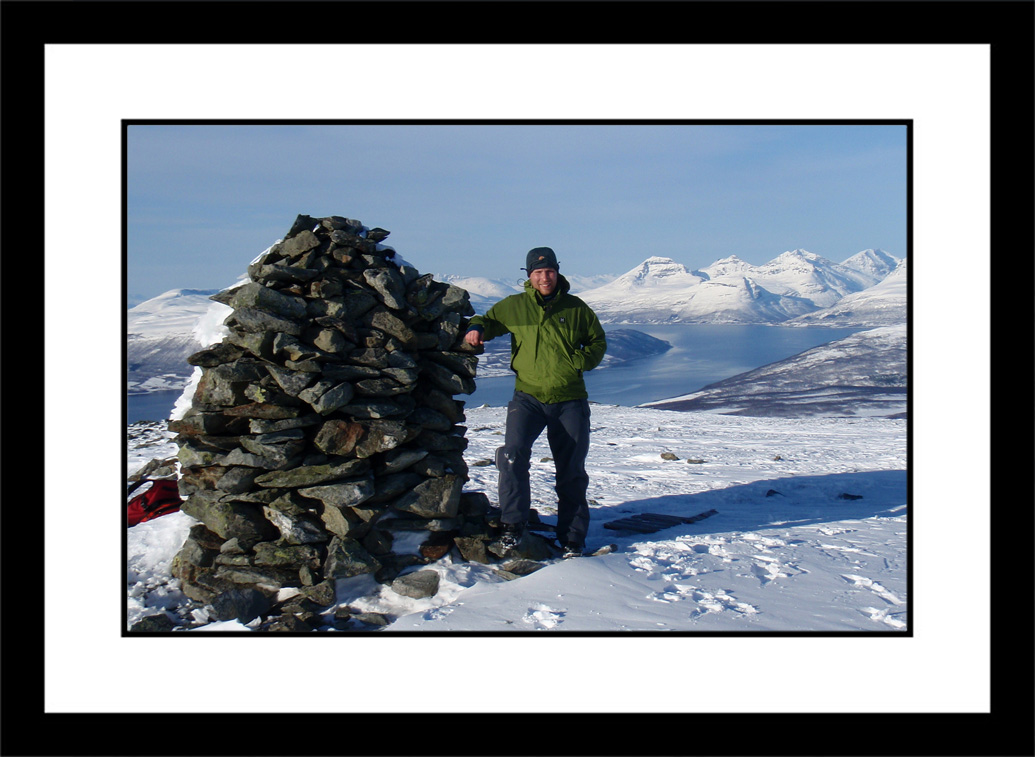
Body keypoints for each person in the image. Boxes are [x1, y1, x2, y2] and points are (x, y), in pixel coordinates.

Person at [464, 247, 607, 558]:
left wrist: (579, 361)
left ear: (557, 272)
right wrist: (476, 328)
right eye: (538, 272)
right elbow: (487, 320)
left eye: (550, 271)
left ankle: (571, 539)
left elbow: (598, 340)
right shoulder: (515, 307)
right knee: (512, 457)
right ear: (529, 275)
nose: (545, 277)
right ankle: (513, 525)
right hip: (527, 396)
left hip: (570, 399)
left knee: (571, 470)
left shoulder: (576, 308)